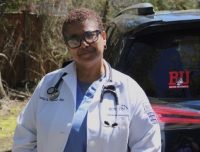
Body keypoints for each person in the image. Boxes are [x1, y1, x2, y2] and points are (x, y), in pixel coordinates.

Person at [12, 7, 161, 152]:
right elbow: (24, 138)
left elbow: (148, 145)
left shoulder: (129, 90)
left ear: (103, 37)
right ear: (68, 46)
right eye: (74, 39)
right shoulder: (48, 84)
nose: (83, 44)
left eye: (90, 35)